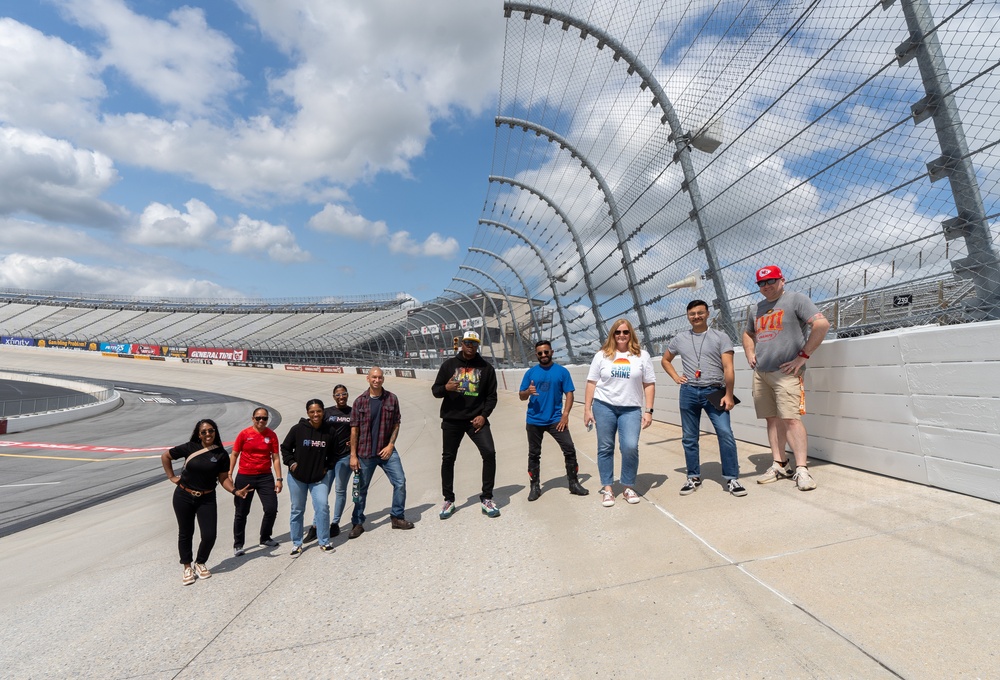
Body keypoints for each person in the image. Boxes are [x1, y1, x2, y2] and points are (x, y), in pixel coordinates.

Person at [741, 265, 830, 491]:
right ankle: (780, 463)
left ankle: (801, 469)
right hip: (762, 372)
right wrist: (750, 353)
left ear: (782, 280)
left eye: (771, 281)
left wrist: (802, 357)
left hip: (787, 372)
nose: (766, 286)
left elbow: (821, 324)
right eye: (761, 283)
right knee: (772, 419)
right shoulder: (757, 308)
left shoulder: (796, 299)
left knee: (791, 418)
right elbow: (748, 333)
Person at [661, 300, 746, 497]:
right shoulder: (680, 338)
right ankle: (693, 476)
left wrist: (728, 394)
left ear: (707, 314)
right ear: (687, 316)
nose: (696, 316)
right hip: (689, 391)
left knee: (725, 433)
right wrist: (676, 377)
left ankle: (732, 478)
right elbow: (666, 360)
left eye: (700, 313)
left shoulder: (720, 337)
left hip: (715, 391)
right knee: (689, 437)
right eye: (692, 314)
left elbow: (728, 368)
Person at [161, 419, 249, 585]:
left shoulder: (221, 454)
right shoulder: (190, 447)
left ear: (215, 432)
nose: (208, 434)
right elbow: (166, 456)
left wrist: (235, 491)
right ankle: (187, 566)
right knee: (186, 532)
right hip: (183, 496)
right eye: (204, 431)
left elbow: (223, 479)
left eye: (211, 430)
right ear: (199, 434)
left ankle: (200, 562)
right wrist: (172, 477)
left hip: (207, 498)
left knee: (209, 535)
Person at [583, 318, 656, 508]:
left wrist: (648, 410)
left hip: (631, 408)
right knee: (605, 447)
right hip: (604, 405)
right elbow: (591, 382)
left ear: (631, 334)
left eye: (625, 332)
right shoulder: (602, 356)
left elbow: (649, 384)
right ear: (612, 335)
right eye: (618, 332)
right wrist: (587, 409)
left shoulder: (642, 356)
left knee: (630, 446)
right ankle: (607, 488)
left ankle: (628, 486)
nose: (621, 335)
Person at [431, 329, 500, 519]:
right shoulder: (449, 366)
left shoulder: (487, 368)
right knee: (448, 458)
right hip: (452, 420)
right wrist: (446, 388)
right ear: (462, 343)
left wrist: (484, 416)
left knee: (489, 453)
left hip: (475, 421)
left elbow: (492, 397)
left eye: (474, 343)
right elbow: (435, 391)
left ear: (478, 345)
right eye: (467, 343)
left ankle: (486, 498)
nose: (470, 346)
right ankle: (449, 499)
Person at [518, 339, 589, 500]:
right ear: (536, 355)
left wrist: (565, 415)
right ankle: (535, 486)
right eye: (540, 353)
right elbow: (521, 396)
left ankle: (573, 483)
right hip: (534, 420)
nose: (543, 355)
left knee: (569, 449)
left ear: (551, 352)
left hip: (556, 419)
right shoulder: (530, 373)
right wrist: (527, 392)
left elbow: (569, 393)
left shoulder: (562, 372)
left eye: (546, 352)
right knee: (534, 454)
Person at [348, 367, 414, 538]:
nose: (377, 380)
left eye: (380, 377)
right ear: (368, 379)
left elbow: (396, 423)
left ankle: (397, 517)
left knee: (400, 482)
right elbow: (354, 431)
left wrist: (391, 445)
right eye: (374, 377)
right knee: (361, 489)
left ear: (383, 379)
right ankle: (357, 523)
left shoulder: (391, 399)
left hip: (387, 451)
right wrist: (353, 456)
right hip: (365, 453)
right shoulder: (359, 402)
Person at [281, 399, 337, 555]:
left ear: (323, 411)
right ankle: (296, 544)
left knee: (322, 507)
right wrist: (291, 463)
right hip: (297, 478)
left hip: (319, 478)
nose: (316, 414)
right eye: (312, 412)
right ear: (307, 413)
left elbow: (334, 454)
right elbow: (285, 448)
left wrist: (327, 467)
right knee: (297, 509)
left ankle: (324, 542)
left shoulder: (329, 431)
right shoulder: (298, 429)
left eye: (318, 411)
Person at [230, 407, 283, 556]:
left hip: (265, 476)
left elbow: (276, 458)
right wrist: (229, 472)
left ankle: (265, 537)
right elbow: (234, 454)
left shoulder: (271, 435)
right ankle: (238, 544)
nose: (261, 421)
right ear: (253, 419)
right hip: (245, 476)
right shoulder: (244, 434)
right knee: (241, 512)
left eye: (264, 418)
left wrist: (279, 479)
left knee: (271, 509)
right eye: (258, 418)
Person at [323, 385, 353, 538]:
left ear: (347, 395)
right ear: (334, 396)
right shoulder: (327, 412)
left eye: (344, 394)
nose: (341, 397)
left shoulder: (352, 412)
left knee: (340, 490)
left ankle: (335, 523)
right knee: (323, 492)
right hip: (328, 459)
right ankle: (318, 523)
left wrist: (354, 441)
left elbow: (359, 430)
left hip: (345, 457)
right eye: (338, 394)